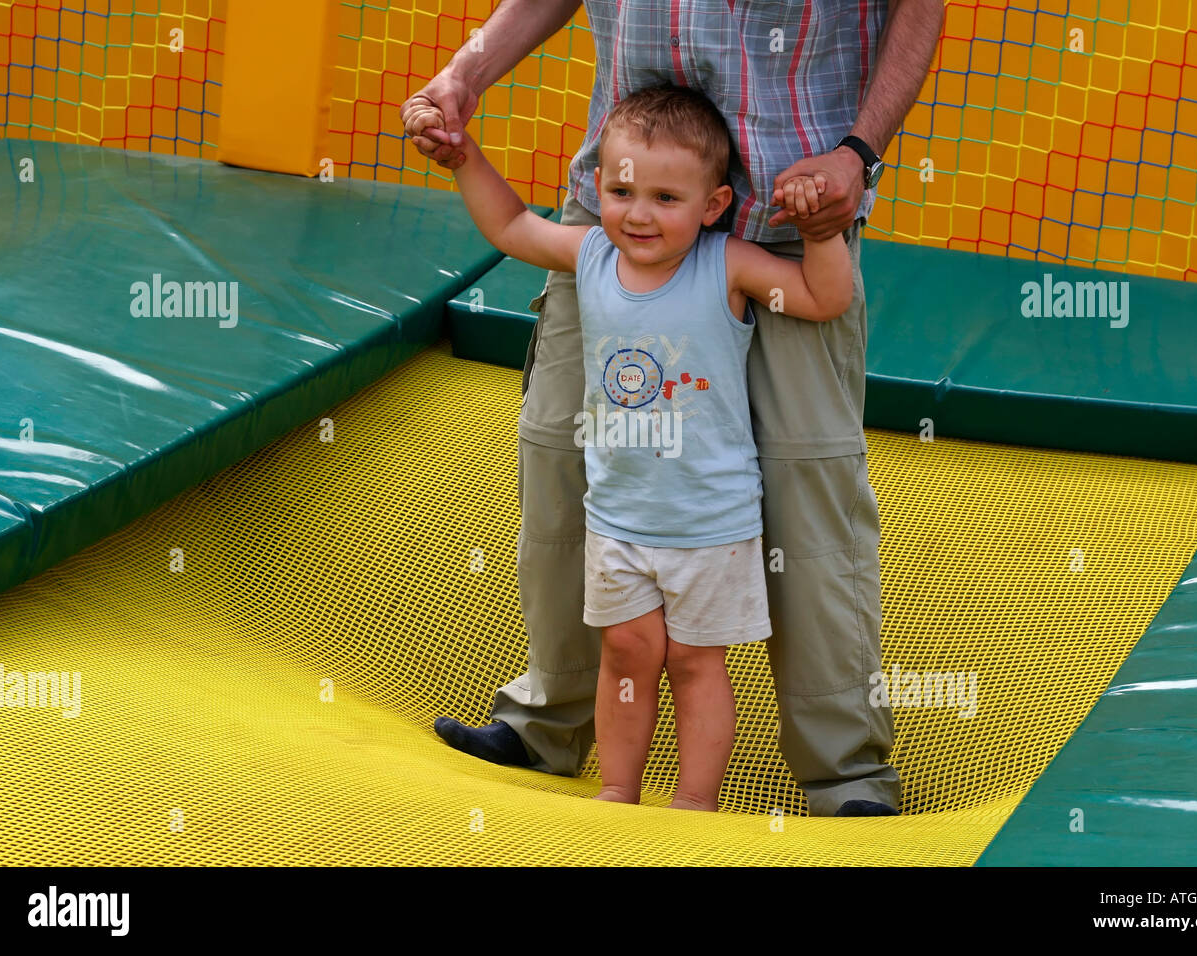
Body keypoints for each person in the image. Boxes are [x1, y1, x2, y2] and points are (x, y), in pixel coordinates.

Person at [402, 0, 945, 817]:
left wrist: (857, 156)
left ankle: (845, 776)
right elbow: (511, 221)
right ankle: (550, 720)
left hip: (793, 217)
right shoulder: (604, 238)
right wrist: (466, 72)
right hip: (622, 215)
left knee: (810, 494)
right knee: (559, 453)